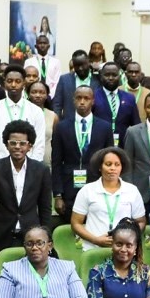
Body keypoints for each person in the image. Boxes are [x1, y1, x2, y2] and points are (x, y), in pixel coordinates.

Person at [0, 120, 52, 264]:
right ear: (6, 144)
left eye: (22, 143)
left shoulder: (41, 170)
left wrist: (46, 241)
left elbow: (45, 209)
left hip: (33, 238)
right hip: (1, 236)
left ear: (29, 146)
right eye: (13, 143)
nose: (17, 147)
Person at [52, 85, 114, 221]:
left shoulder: (105, 127)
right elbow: (56, 162)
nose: (82, 101)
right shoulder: (62, 127)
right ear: (73, 100)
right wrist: (57, 195)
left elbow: (110, 162)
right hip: (69, 189)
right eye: (79, 98)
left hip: (97, 187)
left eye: (86, 98)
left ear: (93, 101)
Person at [71, 147, 147, 249]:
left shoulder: (132, 190)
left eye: (117, 165)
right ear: (100, 167)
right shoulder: (87, 190)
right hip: (93, 249)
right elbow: (76, 223)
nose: (113, 168)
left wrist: (128, 239)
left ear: (122, 167)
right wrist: (95, 240)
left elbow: (141, 222)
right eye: (108, 164)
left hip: (124, 251)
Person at [0, 65, 48, 163]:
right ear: (4, 83)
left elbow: (39, 146)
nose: (13, 85)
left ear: (24, 83)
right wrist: (1, 167)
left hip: (29, 168)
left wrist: (30, 167)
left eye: (18, 81)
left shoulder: (36, 111)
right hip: (1, 168)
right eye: (9, 81)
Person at [92, 63, 140, 140]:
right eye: (107, 75)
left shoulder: (129, 98)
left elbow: (136, 126)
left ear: (120, 77)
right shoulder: (93, 96)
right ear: (101, 77)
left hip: (123, 144)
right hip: (100, 143)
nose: (111, 78)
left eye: (114, 75)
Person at [50, 51, 95, 121]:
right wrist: (59, 123)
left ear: (88, 62)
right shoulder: (64, 79)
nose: (80, 68)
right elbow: (57, 105)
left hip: (93, 125)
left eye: (83, 65)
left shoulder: (98, 80)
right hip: (69, 125)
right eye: (77, 65)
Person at [29, 81, 57, 167]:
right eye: (34, 92)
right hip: (24, 160)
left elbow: (56, 142)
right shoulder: (21, 113)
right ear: (28, 94)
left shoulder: (53, 116)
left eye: (42, 92)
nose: (38, 95)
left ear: (47, 95)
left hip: (46, 162)